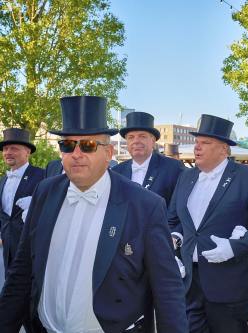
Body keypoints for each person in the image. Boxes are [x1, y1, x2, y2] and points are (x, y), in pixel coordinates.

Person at [0, 96, 188, 333]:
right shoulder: (45, 192)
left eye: (87, 145)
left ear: (108, 153)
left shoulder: (145, 205)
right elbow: (22, 270)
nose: (76, 153)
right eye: (67, 145)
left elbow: (168, 291)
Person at [167, 114, 248, 333]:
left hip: (230, 284)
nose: (197, 148)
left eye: (205, 143)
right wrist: (175, 238)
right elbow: (175, 220)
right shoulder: (186, 177)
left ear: (224, 149)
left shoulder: (247, 177)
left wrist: (235, 247)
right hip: (190, 281)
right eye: (196, 142)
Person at [112, 112, 184, 207]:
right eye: (131, 137)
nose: (136, 141)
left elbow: (179, 209)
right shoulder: (116, 172)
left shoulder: (173, 168)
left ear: (153, 141)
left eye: (142, 136)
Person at [0, 128, 44, 276]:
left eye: (14, 148)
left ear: (27, 152)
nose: (8, 152)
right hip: (7, 249)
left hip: (31, 249)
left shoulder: (42, 176)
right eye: (5, 149)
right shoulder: (2, 181)